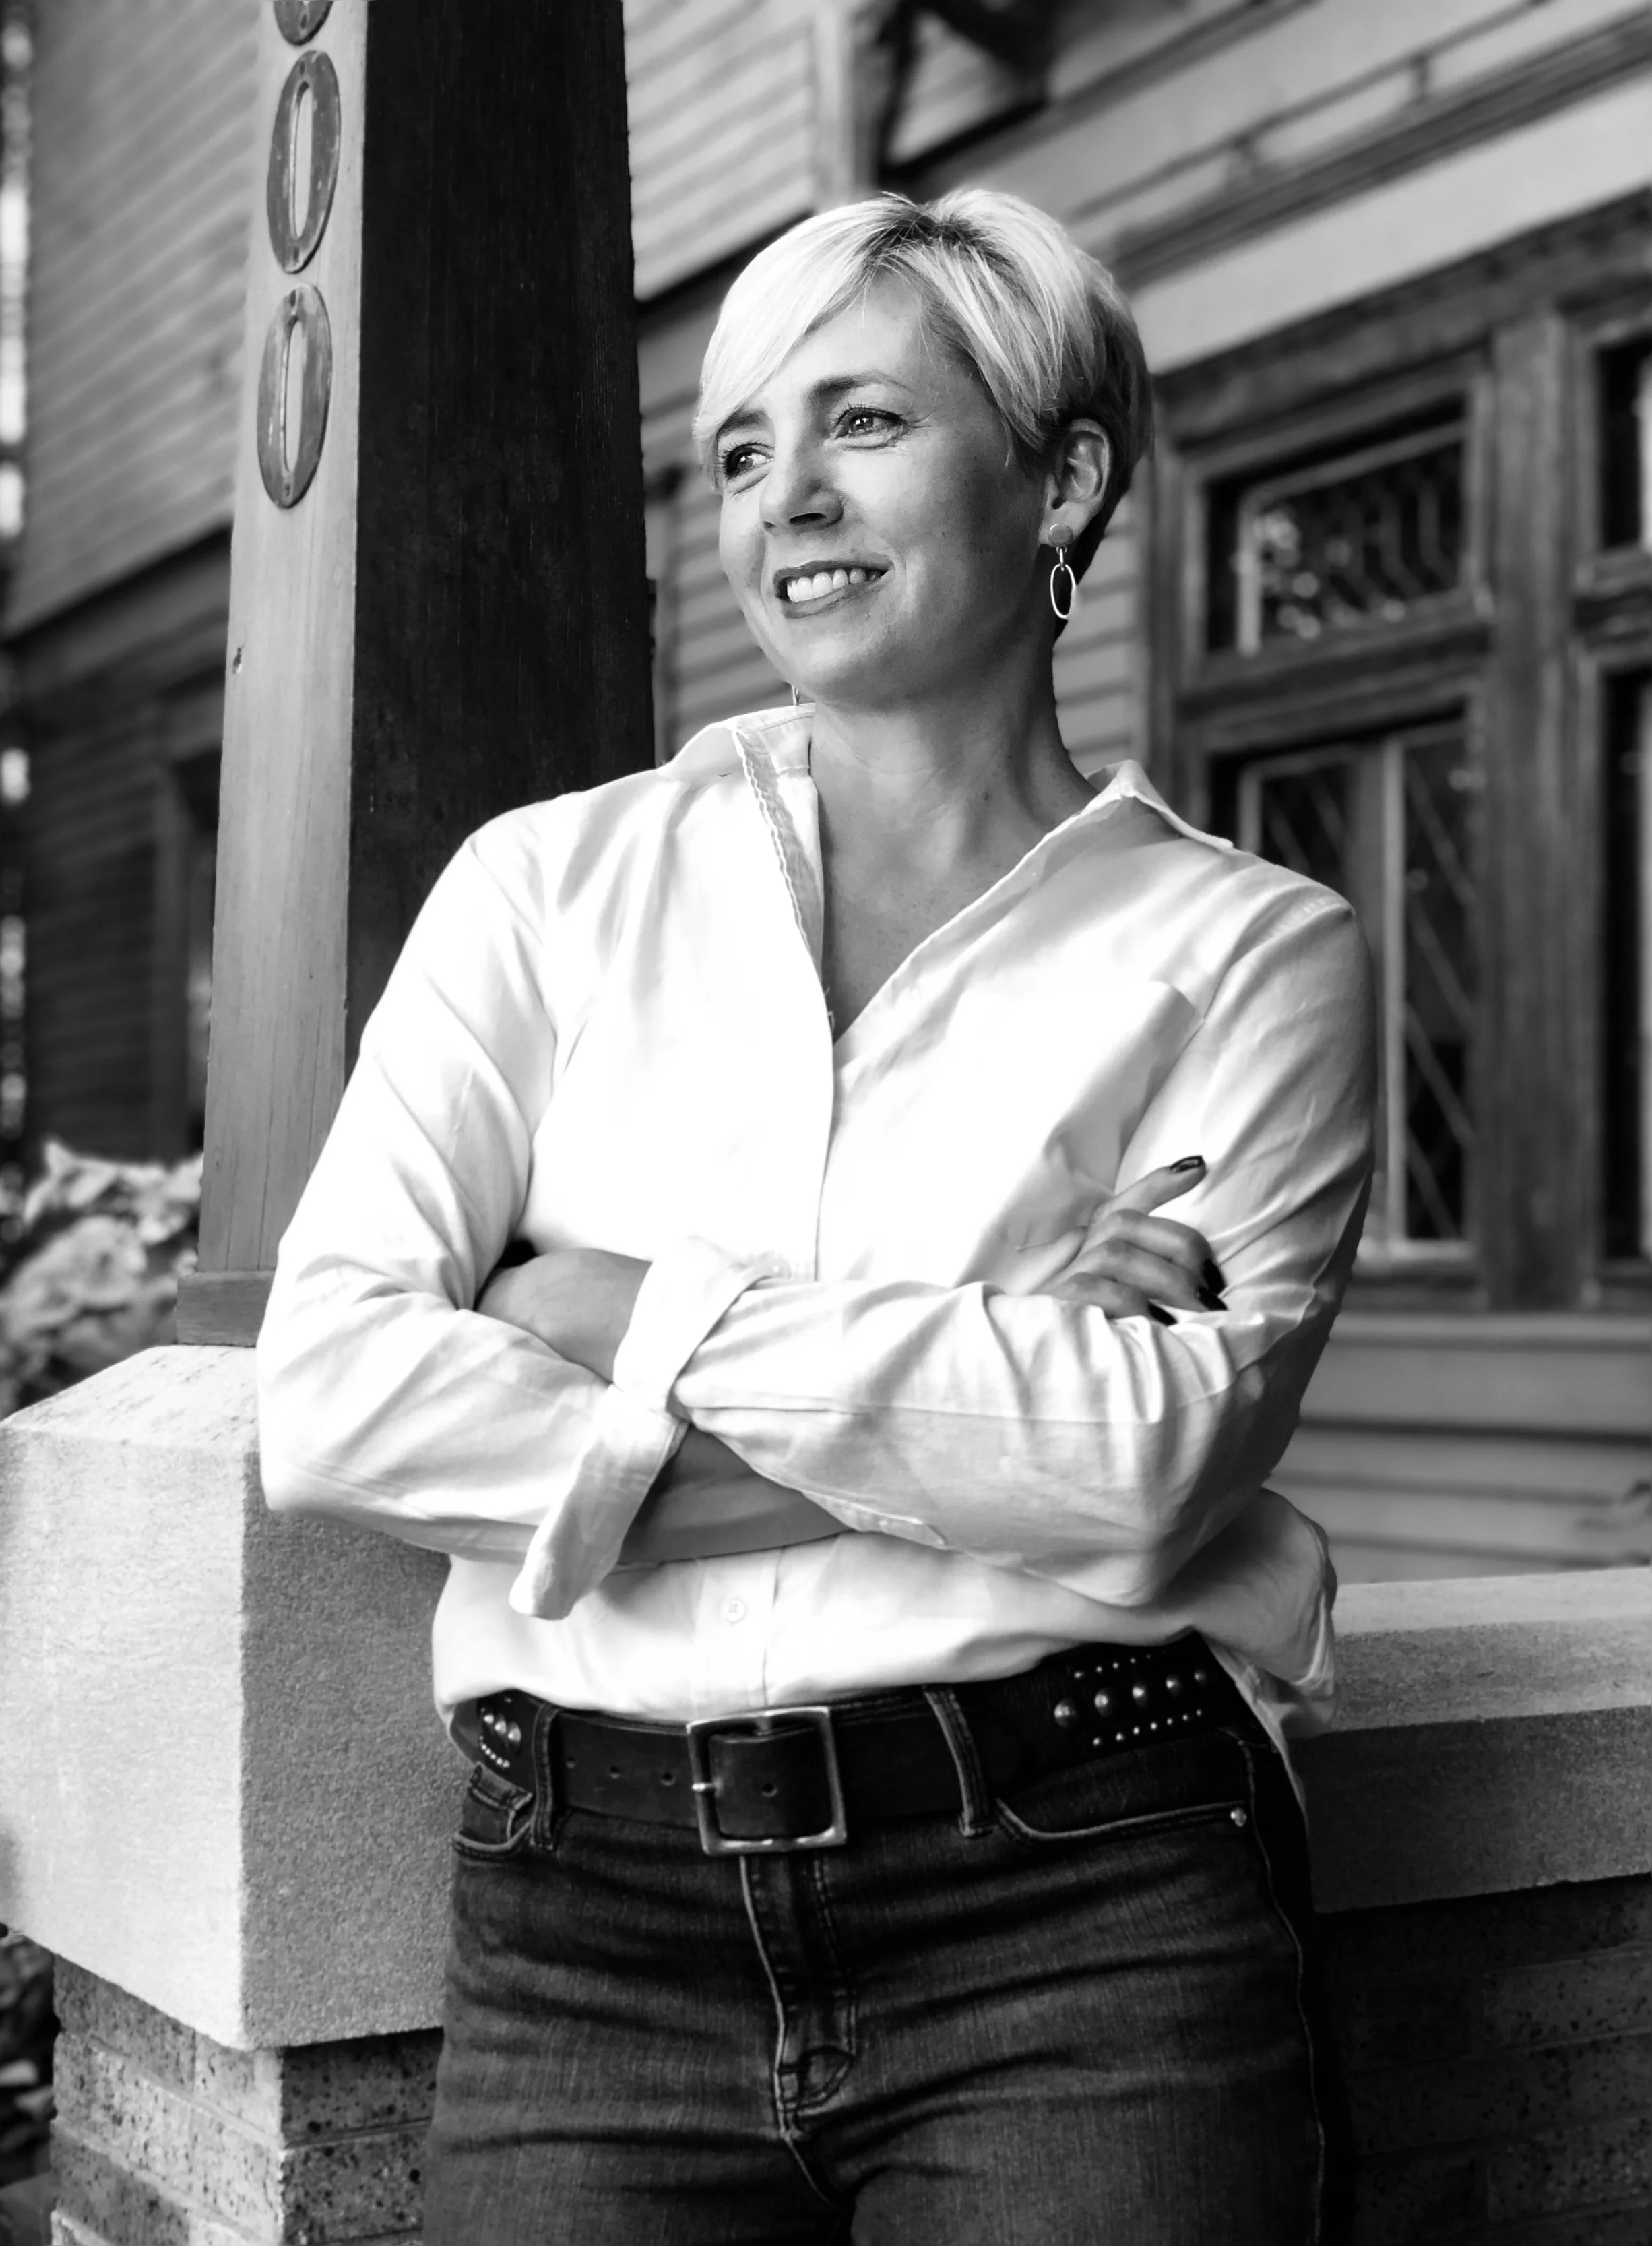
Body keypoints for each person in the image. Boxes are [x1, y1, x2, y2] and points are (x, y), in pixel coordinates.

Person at [257, 188, 1374, 2245]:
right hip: (580, 1922)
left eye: (859, 421)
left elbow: (1144, 1459)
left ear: (1061, 478)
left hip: (1083, 1901)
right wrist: (982, 1344)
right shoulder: (548, 887)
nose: (787, 499)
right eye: (744, 451)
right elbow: (330, 1395)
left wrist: (620, 1310)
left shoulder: (1251, 953)